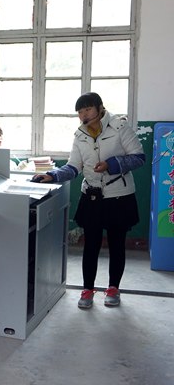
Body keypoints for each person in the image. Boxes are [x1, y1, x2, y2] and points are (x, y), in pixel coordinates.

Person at [32, 92, 144, 309]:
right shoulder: (80, 135)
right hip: (92, 195)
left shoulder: (120, 127)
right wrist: (53, 175)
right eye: (80, 112)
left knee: (116, 244)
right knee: (90, 245)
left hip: (119, 195)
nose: (84, 115)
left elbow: (139, 158)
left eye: (88, 109)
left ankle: (113, 288)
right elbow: (74, 166)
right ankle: (87, 289)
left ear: (100, 108)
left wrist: (111, 165)